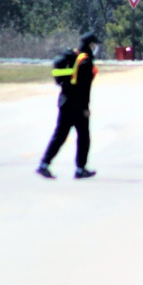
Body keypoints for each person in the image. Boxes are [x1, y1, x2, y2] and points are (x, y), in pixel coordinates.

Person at [36, 32, 100, 179]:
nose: (95, 48)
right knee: (83, 137)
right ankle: (80, 169)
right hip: (77, 105)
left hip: (65, 101)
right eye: (94, 45)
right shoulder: (85, 61)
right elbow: (84, 88)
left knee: (60, 135)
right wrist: (85, 108)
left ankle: (44, 164)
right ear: (89, 45)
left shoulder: (73, 56)